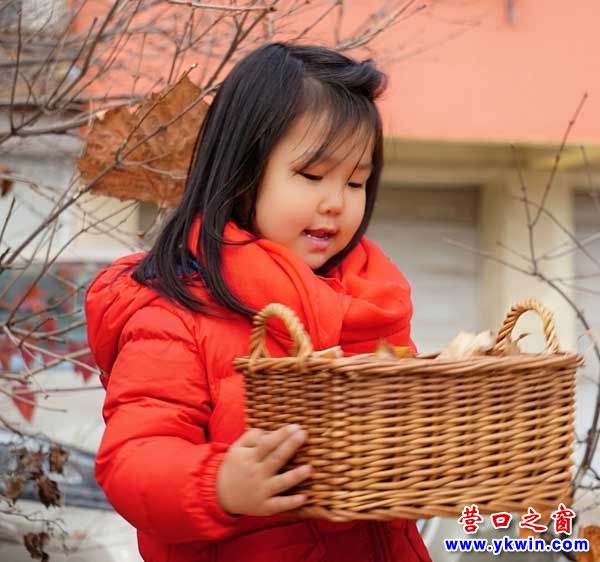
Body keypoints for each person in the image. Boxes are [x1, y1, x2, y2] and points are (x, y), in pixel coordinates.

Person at [85, 42, 433, 562]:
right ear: (242, 170)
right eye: (312, 175)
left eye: (356, 182)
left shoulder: (371, 301)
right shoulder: (177, 314)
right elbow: (131, 460)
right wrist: (219, 484)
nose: (336, 202)